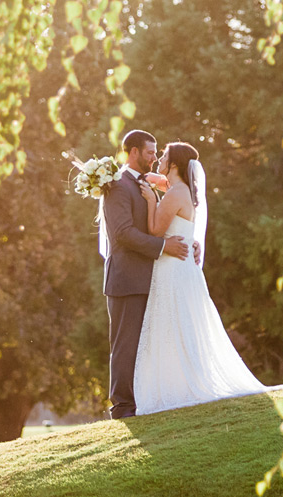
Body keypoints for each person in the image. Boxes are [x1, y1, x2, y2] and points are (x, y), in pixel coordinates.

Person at [132, 141, 269, 414]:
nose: (159, 159)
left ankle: (180, 386)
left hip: (172, 267)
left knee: (172, 322)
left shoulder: (174, 194)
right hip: (182, 267)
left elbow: (156, 230)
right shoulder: (180, 190)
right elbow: (159, 181)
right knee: (181, 322)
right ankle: (181, 380)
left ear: (173, 165)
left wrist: (150, 201)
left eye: (165, 157)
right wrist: (152, 182)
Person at [100, 129, 194, 419]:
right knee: (125, 344)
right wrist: (164, 246)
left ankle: (144, 401)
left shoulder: (146, 185)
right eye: (150, 152)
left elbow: (168, 219)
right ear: (133, 152)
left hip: (150, 278)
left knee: (145, 345)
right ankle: (123, 408)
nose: (155, 158)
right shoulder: (117, 185)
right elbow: (123, 234)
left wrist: (191, 242)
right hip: (127, 280)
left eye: (157, 153)